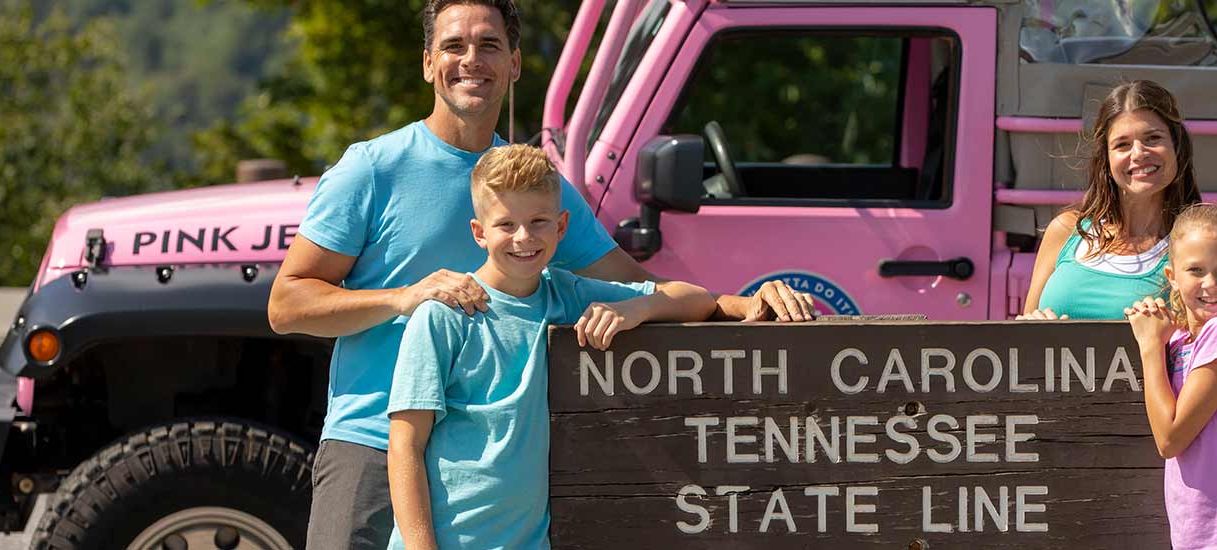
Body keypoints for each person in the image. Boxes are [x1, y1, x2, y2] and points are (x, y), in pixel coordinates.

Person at [266, 2, 813, 548]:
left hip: (494, 468)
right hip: (374, 442)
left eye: (489, 45)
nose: (471, 60)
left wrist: (741, 303)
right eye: (454, 46)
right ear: (428, 62)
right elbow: (287, 304)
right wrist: (405, 297)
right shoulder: (372, 168)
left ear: (515, 63)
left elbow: (636, 288)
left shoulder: (531, 188)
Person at [385, 144, 734, 550]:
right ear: (479, 232)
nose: (523, 238)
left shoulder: (566, 295)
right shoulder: (443, 316)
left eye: (538, 221)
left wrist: (637, 309)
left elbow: (696, 299)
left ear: (561, 226)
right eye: (506, 225)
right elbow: (404, 446)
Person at [1125, 204, 1217, 550]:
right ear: (1171, 277)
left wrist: (1150, 347)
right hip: (1197, 539)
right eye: (1196, 270)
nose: (1211, 283)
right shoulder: (1177, 341)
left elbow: (1170, 439)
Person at [1018, 79, 1202, 320]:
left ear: (1177, 146)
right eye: (1122, 145)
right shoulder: (1064, 231)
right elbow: (1020, 338)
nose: (1138, 153)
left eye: (1153, 138)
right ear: (1106, 158)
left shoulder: (1198, 244)